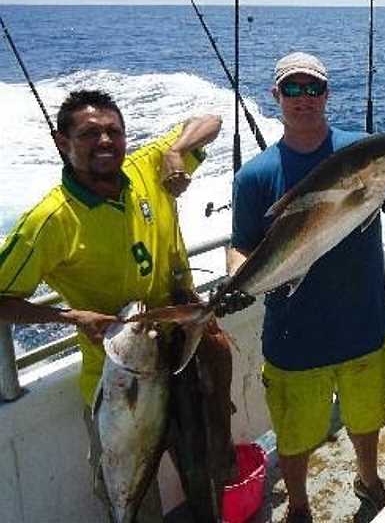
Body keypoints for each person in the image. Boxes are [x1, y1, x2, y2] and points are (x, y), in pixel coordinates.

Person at [0, 90, 222, 521]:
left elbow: (210, 120)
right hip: (119, 385)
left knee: (202, 470)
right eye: (88, 133)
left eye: (113, 131)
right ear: (61, 142)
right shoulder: (50, 221)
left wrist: (175, 150)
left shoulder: (146, 167)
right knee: (135, 502)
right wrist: (68, 317)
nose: (104, 141)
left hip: (181, 359)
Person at [227, 52, 385, 522]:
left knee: (367, 420)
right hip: (294, 333)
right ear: (277, 97)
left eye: (313, 89)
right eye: (293, 89)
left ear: (327, 94)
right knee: (294, 434)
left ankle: (368, 479)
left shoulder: (361, 151)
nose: (303, 99)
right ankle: (300, 505)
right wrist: (236, 279)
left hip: (362, 322)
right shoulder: (255, 176)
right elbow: (242, 246)